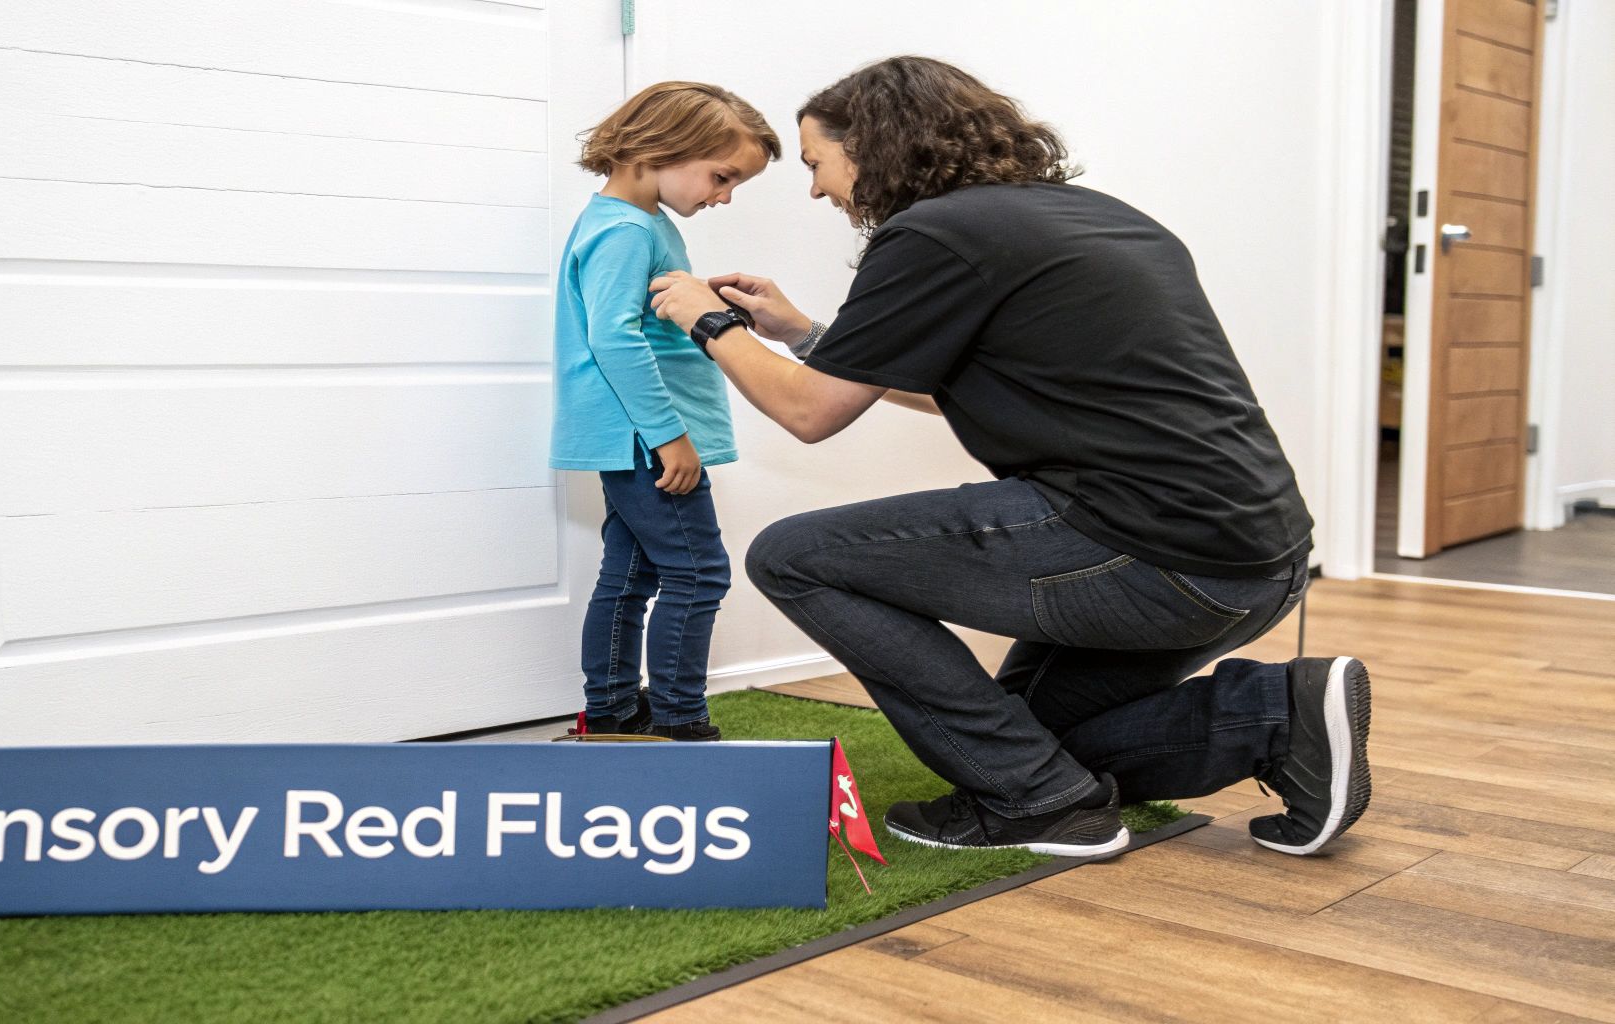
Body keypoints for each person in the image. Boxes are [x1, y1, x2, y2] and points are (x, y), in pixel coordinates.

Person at [650, 57, 1370, 855]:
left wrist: (706, 322)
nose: (818, 190)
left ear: (875, 146)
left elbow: (809, 411)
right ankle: (1278, 715)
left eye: (818, 162)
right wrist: (808, 336)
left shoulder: (930, 233)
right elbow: (949, 386)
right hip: (1258, 563)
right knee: (1016, 741)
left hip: (1152, 558)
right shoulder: (1091, 215)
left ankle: (1045, 806)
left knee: (792, 557)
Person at [552, 82, 781, 741]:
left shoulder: (636, 222)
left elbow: (638, 318)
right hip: (645, 439)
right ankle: (683, 726)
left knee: (630, 574)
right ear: (666, 147)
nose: (724, 195)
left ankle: (615, 715)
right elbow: (613, 337)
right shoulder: (626, 228)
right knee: (699, 572)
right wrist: (669, 436)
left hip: (636, 437)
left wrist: (705, 296)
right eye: (722, 176)